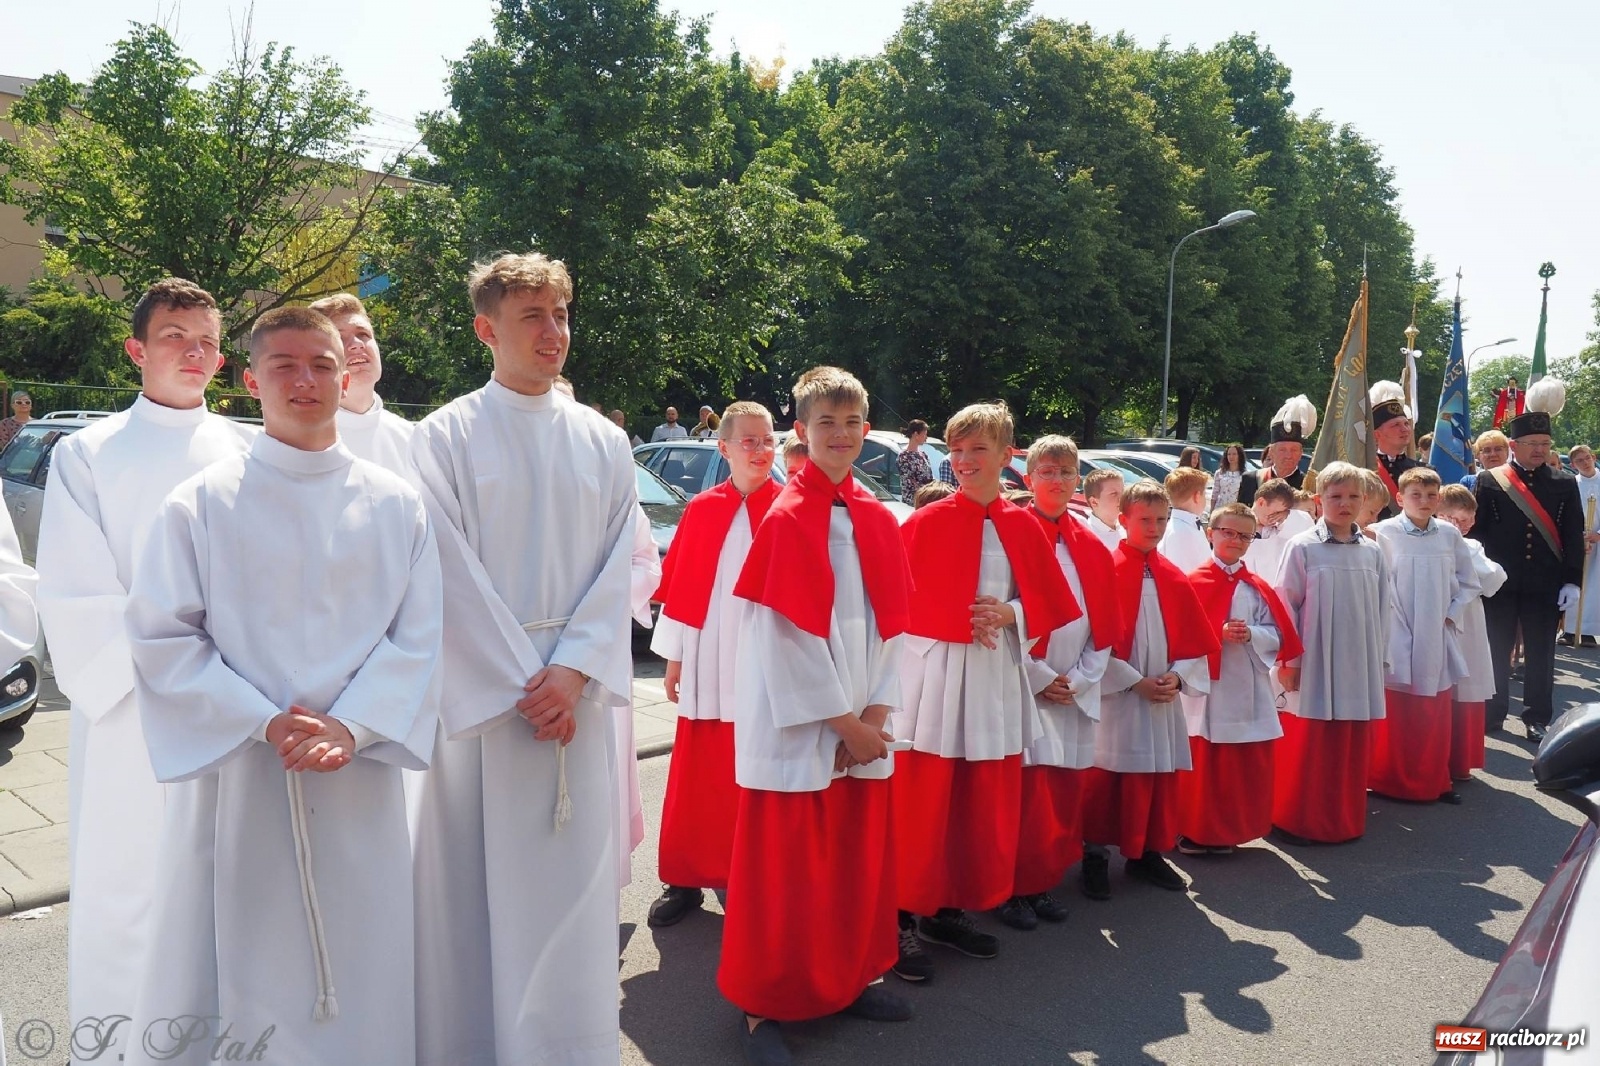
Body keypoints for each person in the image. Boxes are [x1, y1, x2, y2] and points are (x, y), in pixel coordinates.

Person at [124, 306, 441, 1065]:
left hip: (355, 781)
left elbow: (420, 635)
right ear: (250, 379)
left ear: (344, 373)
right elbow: (163, 636)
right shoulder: (200, 504)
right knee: (239, 954)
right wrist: (264, 722)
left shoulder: (397, 504)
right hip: (243, 776)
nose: (306, 381)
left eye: (323, 365)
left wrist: (352, 727)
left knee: (365, 950)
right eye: (287, 365)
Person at [409, 253, 637, 1065]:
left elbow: (624, 564)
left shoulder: (604, 440)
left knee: (573, 903)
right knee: (476, 899)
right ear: (486, 329)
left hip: (570, 702)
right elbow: (440, 568)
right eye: (533, 316)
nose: (554, 332)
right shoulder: (441, 435)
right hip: (486, 713)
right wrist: (525, 682)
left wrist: (572, 672)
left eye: (562, 314)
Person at [37, 278, 254, 1057]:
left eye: (205, 341)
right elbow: (76, 592)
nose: (192, 352)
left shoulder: (252, 449)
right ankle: (120, 1046)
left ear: (222, 358)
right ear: (137, 349)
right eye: (174, 337)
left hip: (233, 704)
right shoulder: (88, 455)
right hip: (133, 708)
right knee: (130, 886)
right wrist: (172, 662)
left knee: (229, 886)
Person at [719, 366, 915, 1065]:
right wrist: (844, 725)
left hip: (861, 719)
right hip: (804, 726)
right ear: (801, 432)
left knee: (851, 868)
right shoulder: (787, 515)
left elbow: (898, 625)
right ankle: (761, 1002)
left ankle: (848, 979)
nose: (840, 434)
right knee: (786, 873)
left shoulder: (875, 513)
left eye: (851, 421)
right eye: (825, 423)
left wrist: (877, 710)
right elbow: (784, 639)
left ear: (867, 429)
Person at [894, 403, 1079, 963]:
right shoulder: (925, 521)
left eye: (978, 450)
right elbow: (894, 603)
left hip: (995, 673)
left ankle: (947, 910)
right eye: (956, 450)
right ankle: (900, 915)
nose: (964, 461)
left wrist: (1011, 615)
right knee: (925, 799)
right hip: (937, 675)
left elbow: (1047, 600)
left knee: (974, 799)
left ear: (1006, 455)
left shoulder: (1022, 524)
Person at [647, 401, 781, 928]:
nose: (759, 449)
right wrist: (675, 659)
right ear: (722, 448)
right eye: (747, 440)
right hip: (708, 659)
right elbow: (682, 587)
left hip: (767, 665)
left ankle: (744, 875)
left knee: (757, 776)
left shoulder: (792, 507)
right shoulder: (703, 508)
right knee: (699, 773)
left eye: (767, 439)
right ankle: (684, 878)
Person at [1001, 436, 1120, 928]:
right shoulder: (1010, 534)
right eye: (1046, 471)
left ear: (1078, 480)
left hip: (1073, 688)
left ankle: (1043, 881)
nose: (1056, 479)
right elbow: (1003, 613)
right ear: (1028, 478)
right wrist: (1041, 677)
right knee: (1022, 798)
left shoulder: (1090, 542)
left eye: (1066, 471)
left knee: (1062, 792)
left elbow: (1105, 622)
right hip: (1024, 685)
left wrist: (1082, 677)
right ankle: (1010, 889)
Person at [1081, 480, 1217, 898]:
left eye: (1161, 519)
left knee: (1157, 774)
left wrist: (1178, 676)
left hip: (1161, 694)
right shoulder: (1105, 570)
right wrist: (1131, 681)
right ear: (1123, 520)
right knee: (1108, 777)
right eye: (1145, 519)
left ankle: (1147, 854)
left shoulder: (1172, 575)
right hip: (1121, 697)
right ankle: (1095, 855)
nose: (1154, 527)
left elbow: (1195, 638)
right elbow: (1091, 639)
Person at [1272, 462, 1389, 845]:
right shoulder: (1303, 546)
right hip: (1315, 661)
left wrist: (1379, 659)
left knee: (1349, 743)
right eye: (1336, 497)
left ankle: (1343, 820)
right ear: (1320, 501)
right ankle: (1299, 820)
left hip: (1358, 661)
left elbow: (1383, 606)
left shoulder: (1372, 552)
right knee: (1311, 742)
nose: (1345, 504)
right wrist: (1289, 660)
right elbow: (1285, 605)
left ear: (1364, 500)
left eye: (1354, 496)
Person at [1179, 503, 1301, 855]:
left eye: (1244, 535)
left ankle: (1232, 828)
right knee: (1205, 760)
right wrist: (1215, 633)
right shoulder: (1192, 582)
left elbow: (1278, 634)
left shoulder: (1256, 585)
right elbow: (1179, 631)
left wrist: (1252, 636)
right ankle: (1195, 829)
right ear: (1210, 533)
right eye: (1227, 532)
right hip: (1206, 688)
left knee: (1241, 761)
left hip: (1245, 684)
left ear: (1251, 541)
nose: (1235, 540)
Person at [1472, 379, 1585, 743]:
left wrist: (1573, 581)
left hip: (1544, 582)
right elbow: (1478, 534)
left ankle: (1537, 716)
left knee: (1541, 653)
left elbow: (1572, 535)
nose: (1540, 450)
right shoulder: (1490, 481)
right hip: (1500, 582)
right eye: (1533, 444)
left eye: (1545, 444)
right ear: (1514, 446)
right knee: (1495, 649)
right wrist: (1477, 574)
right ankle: (1492, 712)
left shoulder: (1564, 482)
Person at [1369, 467, 1479, 805]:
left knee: (1433, 709)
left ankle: (1434, 779)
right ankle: (1389, 779)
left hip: (1435, 631)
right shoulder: (1382, 532)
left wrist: (1449, 614)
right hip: (1396, 628)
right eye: (1416, 495)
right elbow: (1376, 580)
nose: (1425, 501)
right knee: (1398, 707)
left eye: (1432, 495)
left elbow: (1469, 581)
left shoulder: (1448, 535)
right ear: (1400, 498)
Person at [1437, 485, 1506, 781]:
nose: (1462, 526)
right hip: (1438, 619)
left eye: (1467, 521)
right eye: (1455, 519)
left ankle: (1459, 759)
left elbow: (1493, 577)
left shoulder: (1472, 547)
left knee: (1465, 687)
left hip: (1469, 621)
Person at [306, 293, 414, 474]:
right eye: (339, 338)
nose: (356, 344)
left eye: (363, 334)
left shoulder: (411, 438)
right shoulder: (299, 442)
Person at [1238, 397, 1315, 505]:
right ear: (1271, 452)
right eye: (1282, 449)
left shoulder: (1308, 485)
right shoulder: (1251, 479)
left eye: (1294, 450)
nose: (1288, 455)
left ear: (1301, 453)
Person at [1561, 444, 1600, 646]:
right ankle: (1570, 630)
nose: (1584, 463)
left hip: (1599, 543)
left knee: (1594, 587)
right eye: (1579, 461)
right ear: (1573, 465)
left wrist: (1597, 535)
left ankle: (1590, 631)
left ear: (1593, 457)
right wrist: (1578, 537)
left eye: (1587, 458)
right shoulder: (1572, 485)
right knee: (1576, 583)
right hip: (1579, 541)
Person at [1370, 381, 1424, 519]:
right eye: (1396, 425)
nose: (1405, 429)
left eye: (1406, 423)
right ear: (1377, 434)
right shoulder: (1366, 469)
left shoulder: (1425, 470)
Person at [1242, 479, 1311, 584]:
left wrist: (1287, 516)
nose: (1277, 516)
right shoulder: (1237, 523)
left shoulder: (1282, 528)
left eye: (1283, 512)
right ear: (1261, 502)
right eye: (1277, 512)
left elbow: (1307, 529)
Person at [1157, 466, 1211, 572]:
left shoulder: (1187, 526)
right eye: (1204, 494)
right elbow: (1186, 577)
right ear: (1197, 496)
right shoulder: (1181, 532)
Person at [1080, 468, 1125, 551]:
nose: (1122, 498)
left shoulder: (1128, 529)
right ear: (1094, 502)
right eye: (1114, 494)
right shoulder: (1086, 537)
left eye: (1123, 492)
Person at [897, 418, 934, 505]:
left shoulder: (924, 455)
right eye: (924, 434)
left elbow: (930, 478)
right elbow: (910, 482)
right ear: (916, 434)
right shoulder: (904, 456)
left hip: (926, 500)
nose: (926, 438)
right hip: (913, 502)